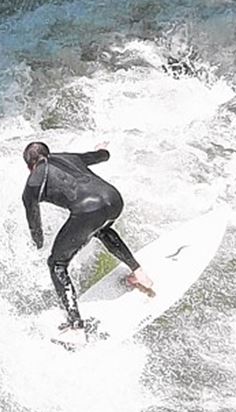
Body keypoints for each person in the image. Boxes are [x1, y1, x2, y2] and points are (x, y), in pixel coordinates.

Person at [22, 140, 153, 331]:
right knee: (101, 229)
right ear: (47, 154)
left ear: (29, 166)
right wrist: (102, 150)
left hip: (89, 210)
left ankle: (75, 325)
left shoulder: (33, 182)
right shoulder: (68, 158)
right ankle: (139, 274)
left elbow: (34, 222)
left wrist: (38, 243)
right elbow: (100, 156)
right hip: (114, 199)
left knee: (57, 264)